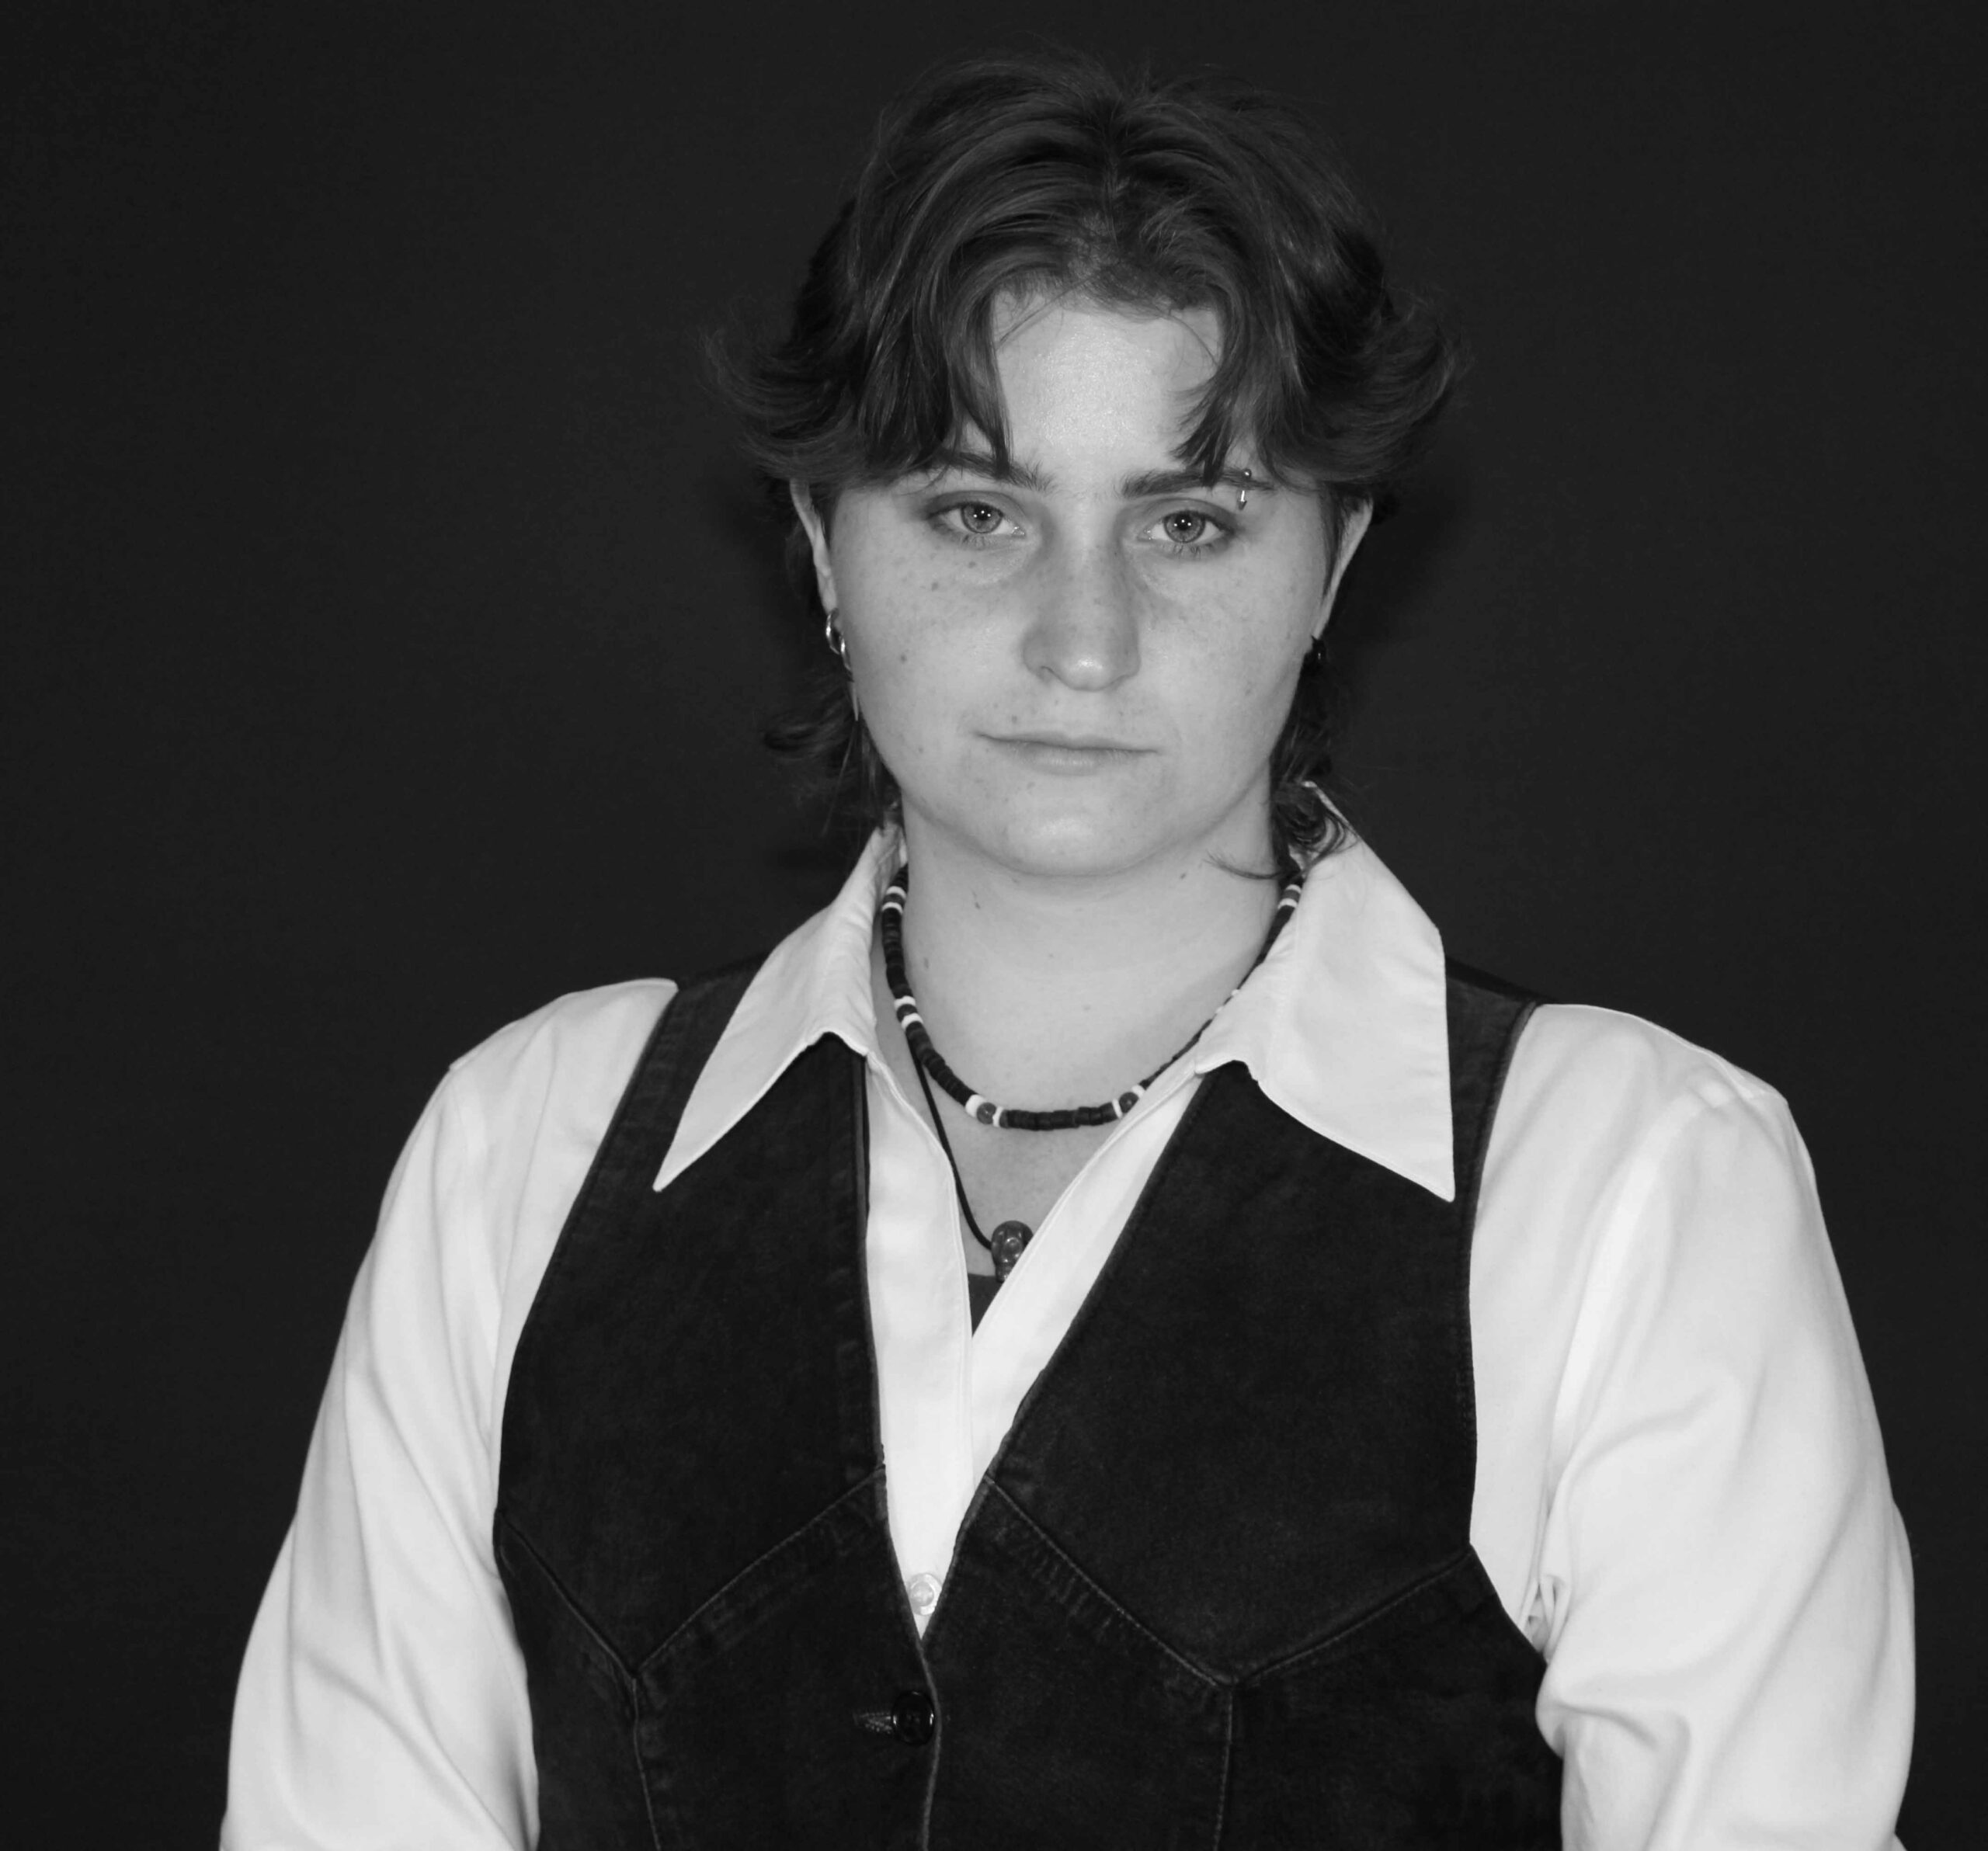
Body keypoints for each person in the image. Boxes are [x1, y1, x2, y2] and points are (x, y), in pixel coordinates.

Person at [222, 51, 1913, 1849]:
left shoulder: (1629, 1187)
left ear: (1332, 560)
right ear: (819, 541)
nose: (1081, 639)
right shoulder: (523, 1154)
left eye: (1189, 521)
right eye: (973, 511)